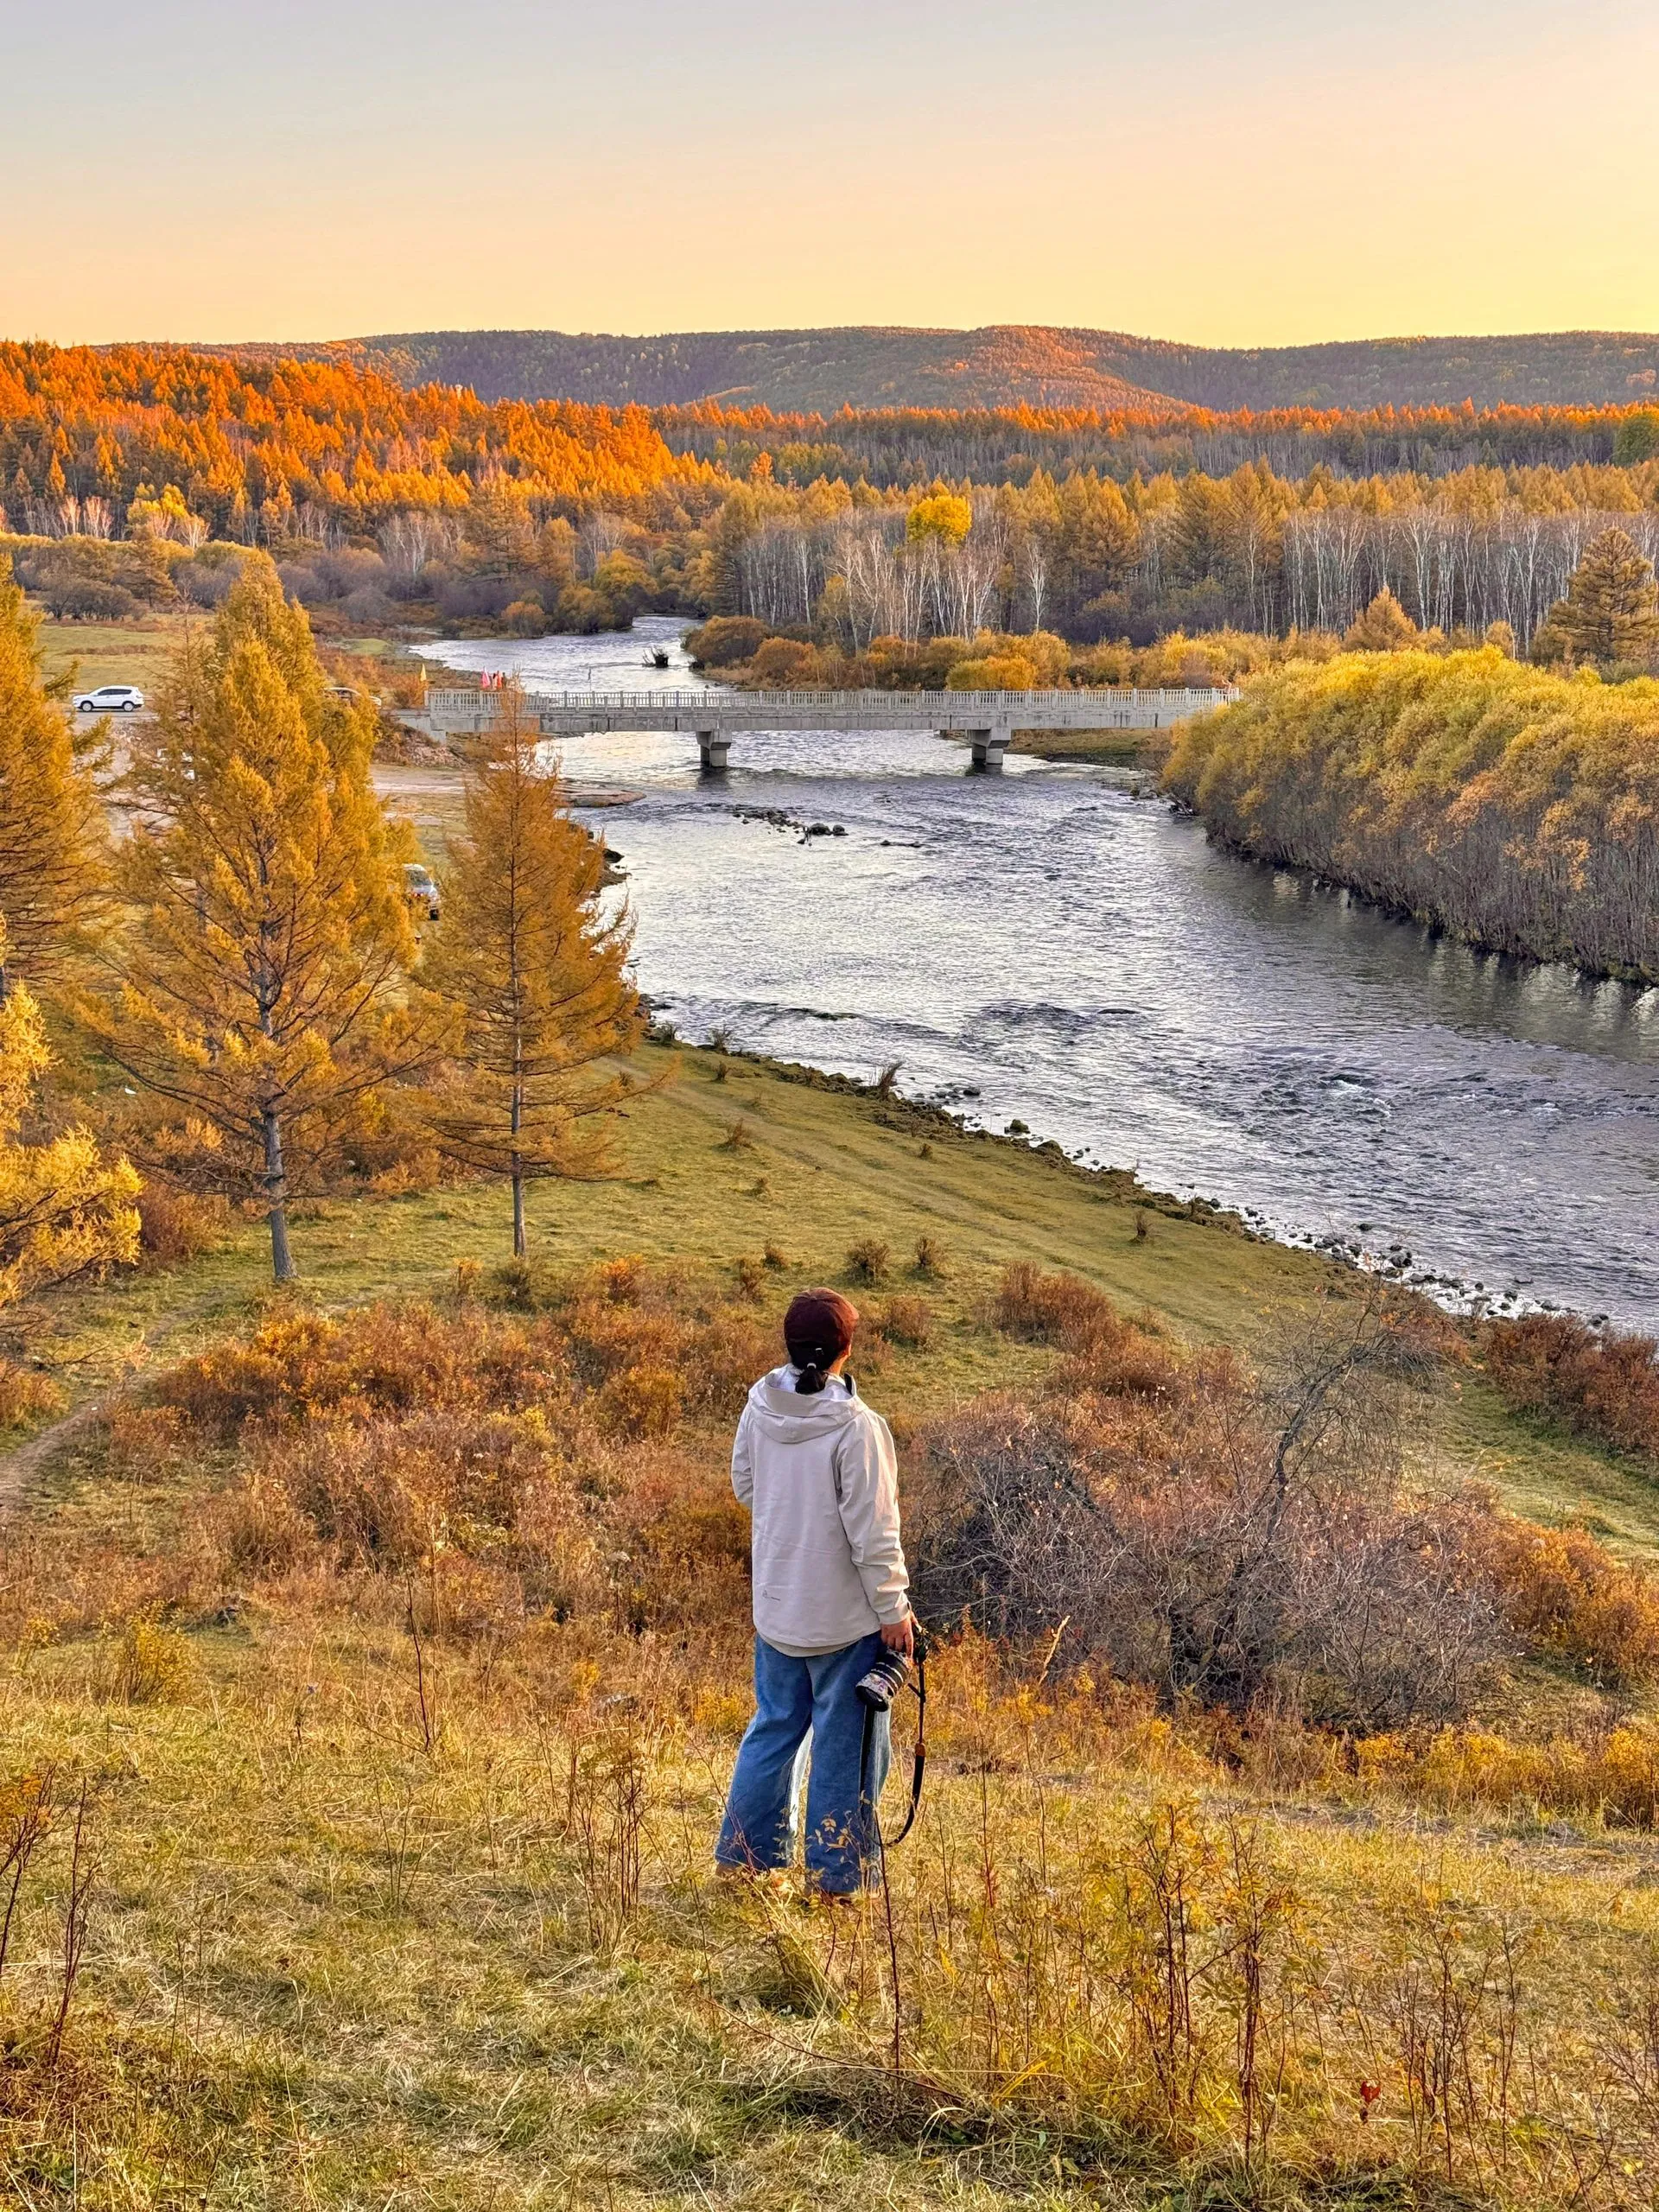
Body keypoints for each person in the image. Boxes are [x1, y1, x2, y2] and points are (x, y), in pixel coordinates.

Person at [715, 1286, 913, 1897]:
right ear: (844, 1351)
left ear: (789, 1345)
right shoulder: (857, 1428)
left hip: (777, 1611)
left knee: (772, 1730)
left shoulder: (759, 1406)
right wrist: (895, 1609)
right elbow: (874, 1534)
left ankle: (746, 1863)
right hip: (842, 1622)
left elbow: (745, 1487)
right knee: (842, 1750)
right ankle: (836, 1884)